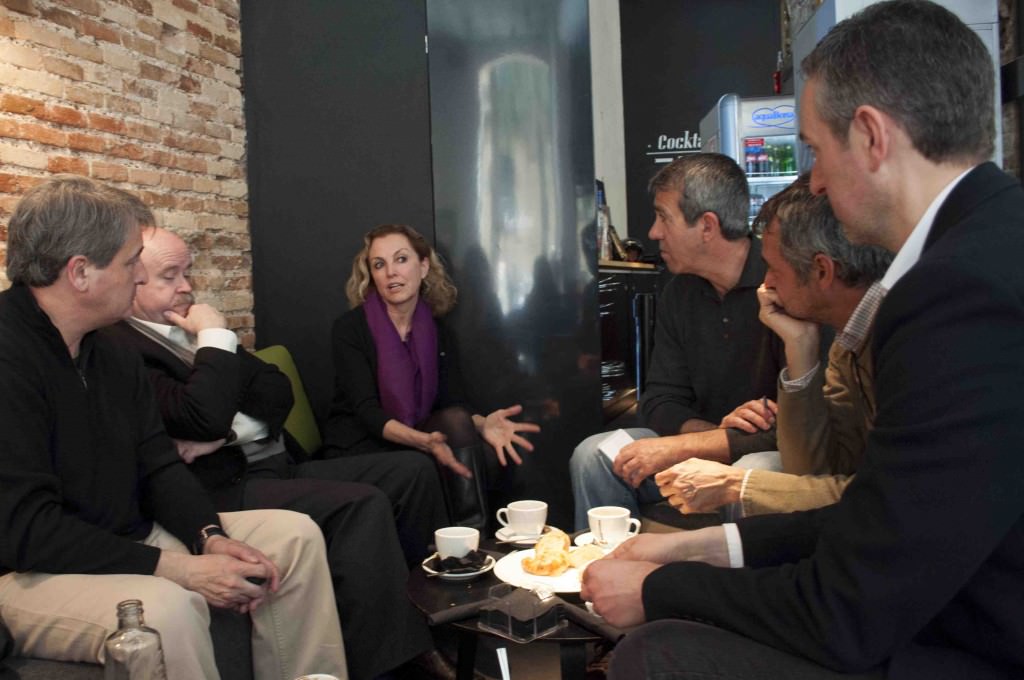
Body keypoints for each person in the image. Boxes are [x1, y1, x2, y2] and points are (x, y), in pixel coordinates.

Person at [582, 2, 1024, 678]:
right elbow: (878, 518)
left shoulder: (955, 294)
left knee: (655, 652)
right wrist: (697, 550)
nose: (812, 180)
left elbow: (848, 608)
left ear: (872, 137)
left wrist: (658, 589)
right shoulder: (987, 243)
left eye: (817, 150)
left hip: (966, 643)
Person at [0, 175, 346, 680]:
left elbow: (159, 462)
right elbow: (27, 531)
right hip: (29, 571)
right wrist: (179, 568)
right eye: (128, 262)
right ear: (80, 273)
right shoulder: (10, 357)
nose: (139, 278)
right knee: (164, 610)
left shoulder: (110, 349)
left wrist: (208, 537)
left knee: (292, 538)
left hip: (128, 537)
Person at [100, 226, 450, 680]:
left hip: (273, 462)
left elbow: (275, 390)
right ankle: (393, 663)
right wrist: (214, 338)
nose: (187, 287)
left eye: (188, 273)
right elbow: (195, 419)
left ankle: (432, 617)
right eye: (171, 275)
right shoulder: (124, 346)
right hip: (226, 487)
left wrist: (225, 431)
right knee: (362, 506)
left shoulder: (184, 329)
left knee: (413, 472)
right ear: (133, 280)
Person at [570, 152, 789, 529]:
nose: (653, 232)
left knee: (755, 469)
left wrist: (691, 445)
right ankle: (610, 572)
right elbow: (659, 399)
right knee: (595, 454)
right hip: (700, 445)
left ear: (707, 226)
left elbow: (798, 429)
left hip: (768, 455)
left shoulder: (784, 283)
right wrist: (708, 438)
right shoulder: (678, 292)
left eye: (663, 217)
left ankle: (741, 583)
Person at [655, 175, 891, 517]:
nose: (766, 283)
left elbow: (891, 499)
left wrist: (736, 484)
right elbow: (813, 466)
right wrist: (801, 346)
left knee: (757, 466)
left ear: (822, 271)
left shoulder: (904, 338)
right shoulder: (847, 341)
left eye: (774, 269)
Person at [322, 224, 540, 530]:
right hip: (361, 442)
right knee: (435, 457)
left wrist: (482, 423)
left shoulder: (437, 332)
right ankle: (472, 544)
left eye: (401, 259)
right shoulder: (350, 328)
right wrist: (424, 442)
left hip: (417, 435)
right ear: (371, 275)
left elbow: (453, 402)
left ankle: (469, 541)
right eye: (379, 264)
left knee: (485, 447)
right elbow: (366, 411)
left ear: (423, 266)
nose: (390, 273)